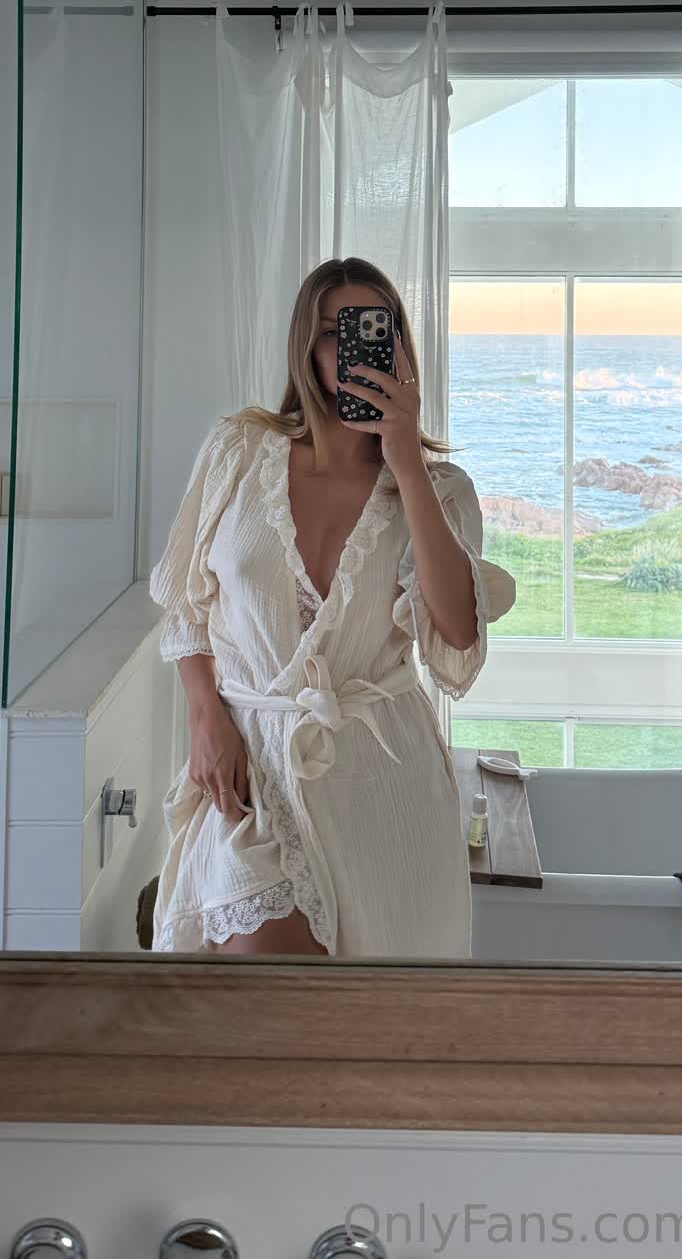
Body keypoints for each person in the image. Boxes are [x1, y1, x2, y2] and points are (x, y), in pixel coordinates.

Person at [147, 256, 517, 959]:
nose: (350, 349)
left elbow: (455, 632)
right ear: (305, 348)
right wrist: (204, 717)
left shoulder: (441, 488)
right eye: (330, 331)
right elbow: (185, 602)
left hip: (383, 780)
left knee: (368, 1015)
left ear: (398, 345)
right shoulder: (238, 451)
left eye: (370, 329)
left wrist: (406, 461)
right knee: (264, 984)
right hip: (252, 763)